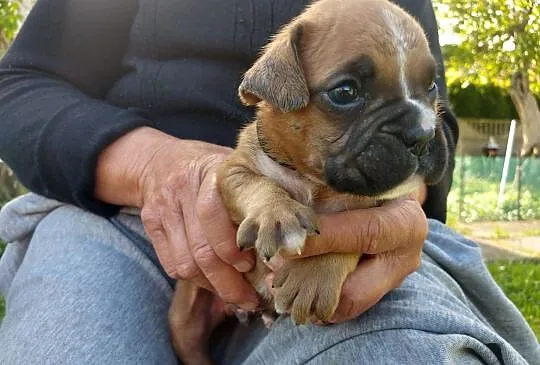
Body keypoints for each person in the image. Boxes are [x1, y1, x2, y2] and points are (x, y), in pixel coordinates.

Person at [0, 0, 537, 364]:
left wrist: (374, 220)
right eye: (346, 92)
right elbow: (21, 85)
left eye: (428, 91)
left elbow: (428, 128)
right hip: (120, 215)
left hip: (357, 219)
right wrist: (150, 166)